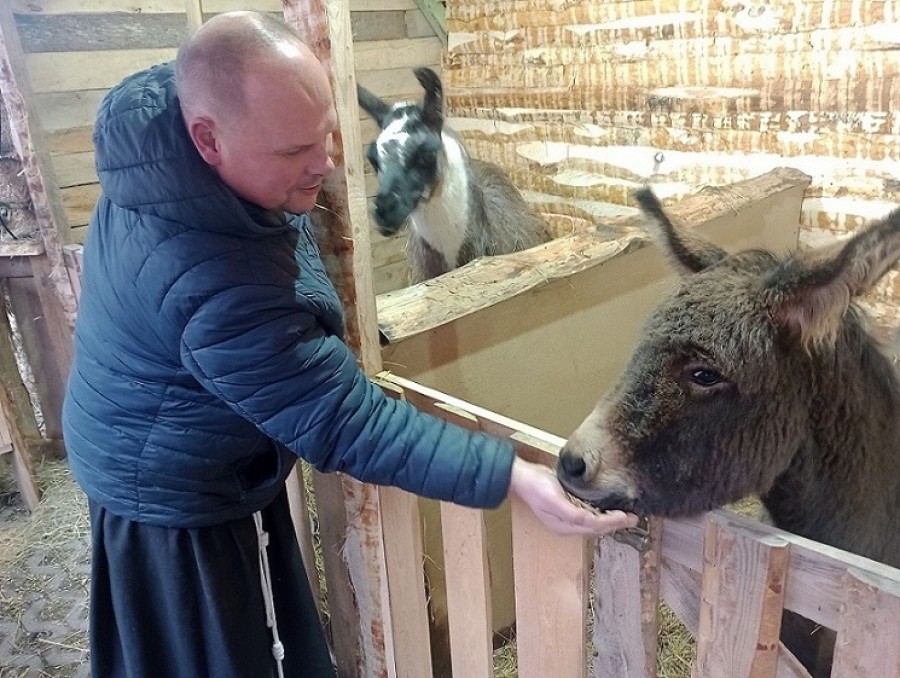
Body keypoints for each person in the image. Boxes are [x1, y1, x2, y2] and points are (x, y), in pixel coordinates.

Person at [62, 10, 637, 678]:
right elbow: (346, 420)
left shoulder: (163, 139)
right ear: (208, 139)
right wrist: (512, 474)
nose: (326, 166)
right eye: (292, 153)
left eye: (329, 136)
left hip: (173, 434)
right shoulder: (214, 284)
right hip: (169, 491)